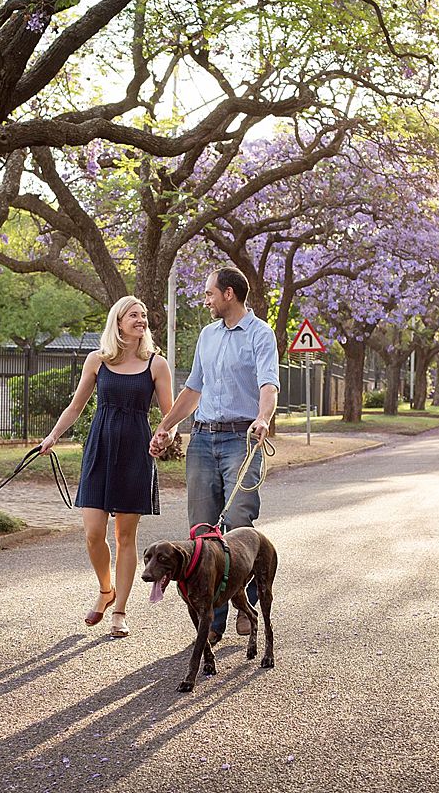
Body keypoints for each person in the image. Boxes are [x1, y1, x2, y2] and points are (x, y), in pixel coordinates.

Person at [150, 266, 279, 645]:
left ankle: (244, 601)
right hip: (203, 440)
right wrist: (167, 426)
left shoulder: (260, 334)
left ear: (229, 294)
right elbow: (192, 390)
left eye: (209, 294)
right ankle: (213, 624)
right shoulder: (207, 336)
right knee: (203, 534)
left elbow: (268, 383)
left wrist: (262, 418)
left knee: (239, 521)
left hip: (242, 438)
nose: (205, 300)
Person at [40, 296, 174, 638]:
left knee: (125, 537)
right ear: (118, 321)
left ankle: (119, 611)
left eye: (143, 315)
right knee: (93, 534)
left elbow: (170, 416)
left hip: (135, 453)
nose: (141, 320)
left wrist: (166, 436)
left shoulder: (156, 364)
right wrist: (53, 436)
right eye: (134, 315)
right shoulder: (97, 360)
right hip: (99, 449)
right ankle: (105, 589)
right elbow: (76, 406)